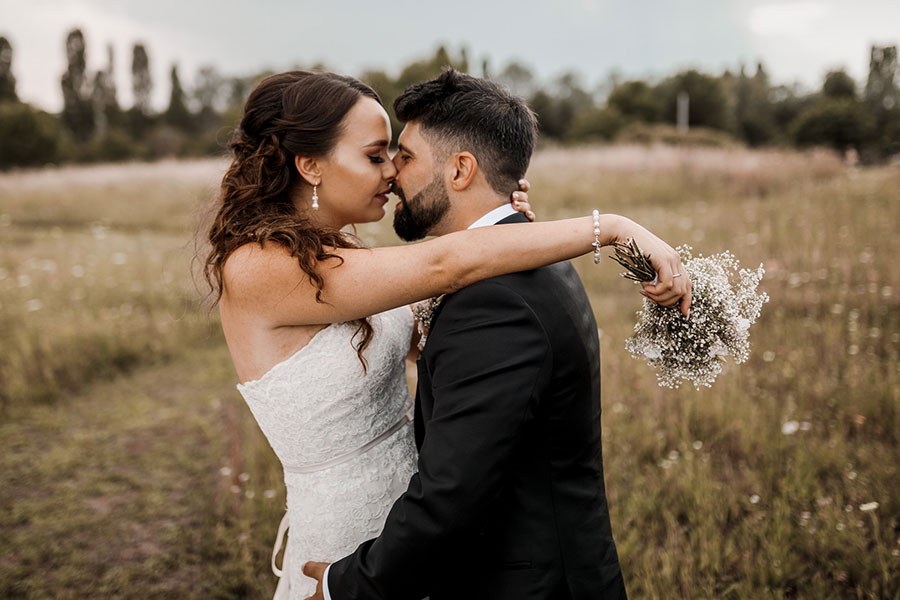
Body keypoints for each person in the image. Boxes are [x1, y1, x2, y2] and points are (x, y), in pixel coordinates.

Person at [206, 70, 690, 600]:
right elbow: (443, 266)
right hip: (345, 542)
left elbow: (435, 329)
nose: (391, 171)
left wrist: (507, 230)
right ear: (310, 165)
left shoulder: (343, 255)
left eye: (397, 155)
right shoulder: (259, 267)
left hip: (410, 545)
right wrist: (610, 227)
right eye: (375, 156)